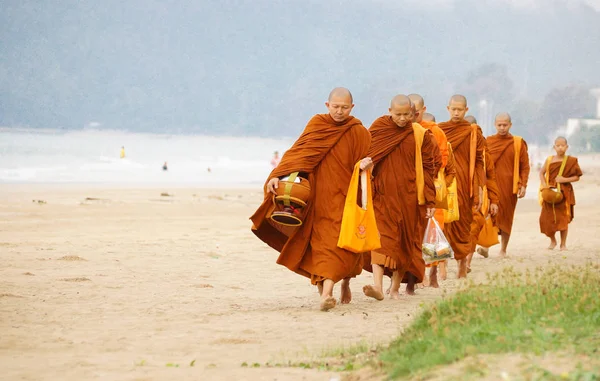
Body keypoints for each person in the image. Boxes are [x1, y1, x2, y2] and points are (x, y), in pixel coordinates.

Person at [250, 88, 372, 311]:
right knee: (320, 246)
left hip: (344, 198)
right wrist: (276, 176)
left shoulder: (359, 132)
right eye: (335, 107)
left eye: (344, 107)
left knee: (340, 244)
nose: (339, 111)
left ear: (352, 108)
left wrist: (365, 166)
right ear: (327, 105)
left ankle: (336, 287)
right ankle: (326, 293)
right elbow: (298, 154)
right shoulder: (317, 124)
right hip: (317, 197)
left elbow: (362, 166)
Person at [362, 95, 436, 299]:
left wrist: (430, 200)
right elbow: (366, 153)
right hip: (382, 196)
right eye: (398, 114)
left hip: (410, 198)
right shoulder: (380, 128)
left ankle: (394, 288)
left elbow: (430, 168)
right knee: (381, 240)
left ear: (414, 114)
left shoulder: (422, 135)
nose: (403, 119)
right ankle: (377, 286)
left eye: (407, 115)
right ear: (390, 111)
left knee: (404, 244)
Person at [408, 94, 454, 288]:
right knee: (413, 231)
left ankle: (434, 270)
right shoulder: (403, 130)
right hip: (409, 186)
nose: (411, 117)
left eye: (415, 113)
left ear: (423, 110)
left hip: (431, 185)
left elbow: (443, 157)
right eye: (408, 113)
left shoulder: (435, 131)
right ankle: (420, 275)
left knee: (435, 230)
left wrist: (425, 169)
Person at [438, 95, 485, 278]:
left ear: (466, 110)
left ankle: (462, 264)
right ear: (448, 108)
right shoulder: (440, 130)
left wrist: (479, 188)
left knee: (463, 226)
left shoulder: (473, 132)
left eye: (460, 109)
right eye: (453, 109)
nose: (456, 112)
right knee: (442, 226)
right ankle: (441, 267)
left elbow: (480, 162)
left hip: (465, 186)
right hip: (445, 185)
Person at [484, 112, 530, 257]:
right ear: (495, 125)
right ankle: (486, 246)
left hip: (510, 187)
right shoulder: (488, 141)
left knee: (506, 218)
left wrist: (523, 184)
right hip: (491, 186)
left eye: (505, 125)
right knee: (489, 215)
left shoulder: (518, 142)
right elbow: (483, 163)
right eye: (499, 125)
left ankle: (503, 249)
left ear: (510, 125)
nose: (502, 128)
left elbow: (525, 166)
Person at [539, 137, 582, 251]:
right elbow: (541, 173)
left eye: (563, 145)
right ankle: (553, 240)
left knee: (563, 219)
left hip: (564, 193)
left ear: (567, 147)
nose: (560, 147)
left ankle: (563, 244)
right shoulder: (549, 160)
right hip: (550, 192)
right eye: (558, 145)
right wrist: (544, 185)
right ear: (554, 147)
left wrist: (564, 179)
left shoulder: (571, 161)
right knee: (546, 219)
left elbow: (577, 177)